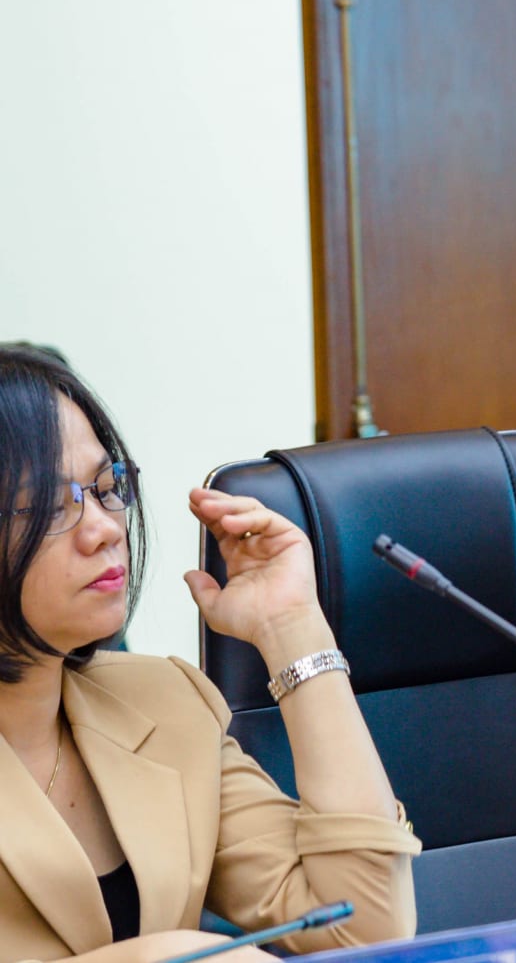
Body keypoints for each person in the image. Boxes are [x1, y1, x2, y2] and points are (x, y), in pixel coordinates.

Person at [0, 345, 418, 962]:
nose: (105, 528)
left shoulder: (165, 704)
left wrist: (293, 628)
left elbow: (364, 930)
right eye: (47, 506)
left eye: (107, 488)